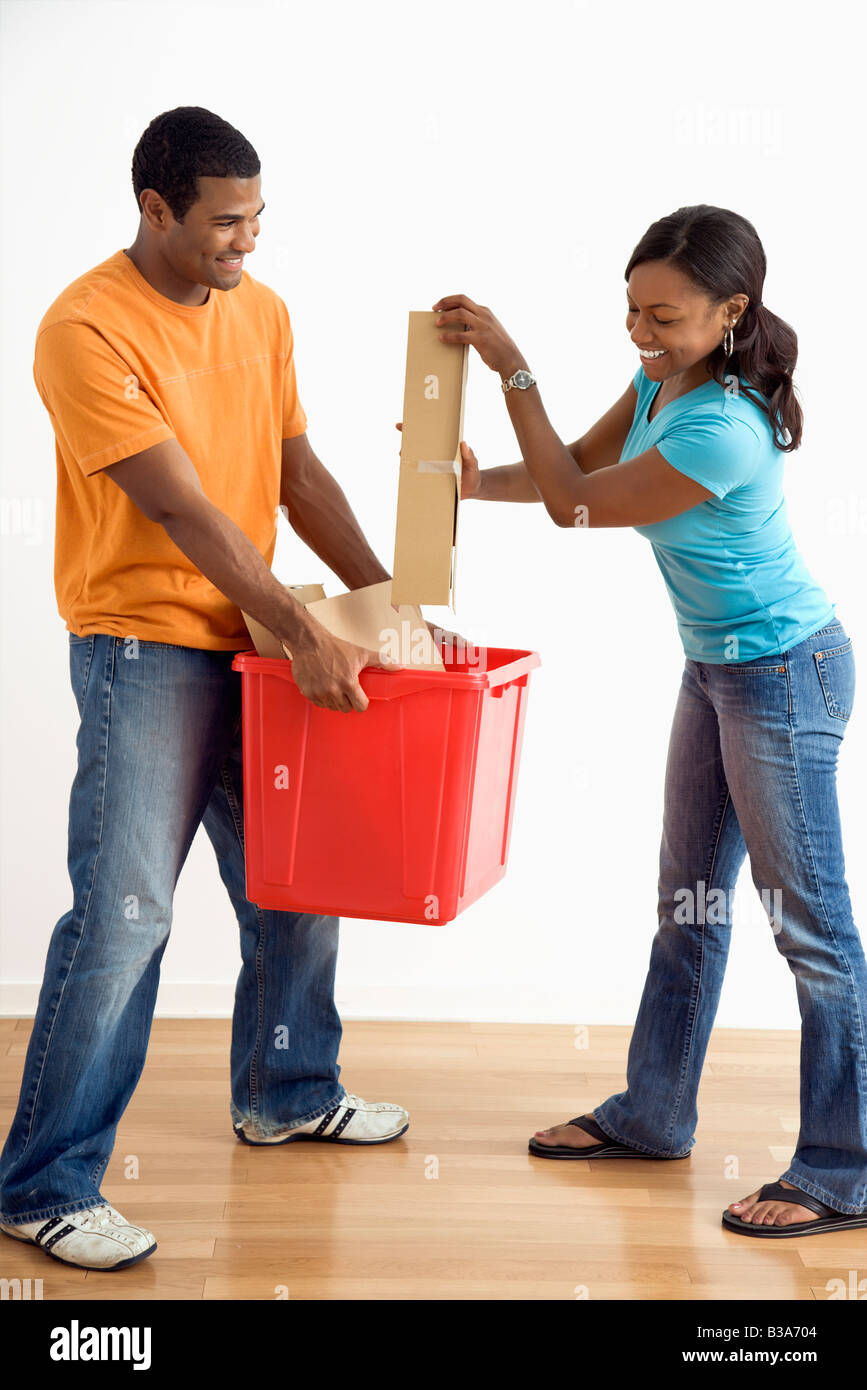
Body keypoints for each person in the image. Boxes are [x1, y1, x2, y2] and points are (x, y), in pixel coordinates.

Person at [0, 106, 416, 1272]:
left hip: (254, 639)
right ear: (155, 208)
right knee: (126, 915)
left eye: (258, 218)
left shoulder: (261, 309)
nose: (248, 242)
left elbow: (293, 471)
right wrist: (299, 628)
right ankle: (45, 1182)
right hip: (146, 645)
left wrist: (384, 602)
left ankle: (288, 1089)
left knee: (297, 879)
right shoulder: (84, 329)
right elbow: (181, 507)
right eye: (227, 222)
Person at [432, 204, 867, 1238]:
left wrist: (514, 371)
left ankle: (844, 1171)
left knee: (810, 930)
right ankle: (654, 1113)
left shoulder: (724, 423)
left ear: (731, 312)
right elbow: (564, 473)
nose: (639, 331)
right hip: (716, 672)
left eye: (662, 317)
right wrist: (468, 484)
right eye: (631, 309)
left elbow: (576, 506)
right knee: (688, 905)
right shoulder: (662, 382)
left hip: (782, 674)